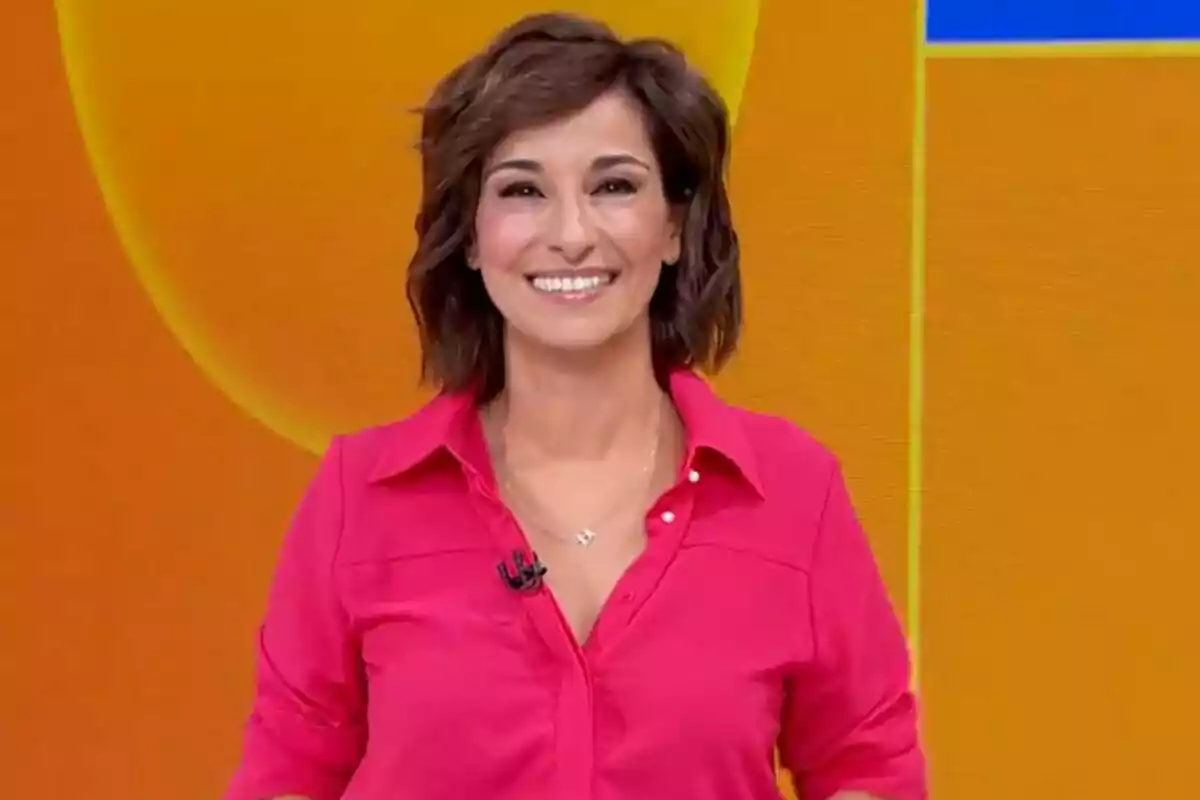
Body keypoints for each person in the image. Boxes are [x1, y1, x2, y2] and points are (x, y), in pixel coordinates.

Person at [225, 11, 926, 800]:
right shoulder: (359, 497)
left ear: (673, 227)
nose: (570, 234)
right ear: (470, 236)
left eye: (614, 186)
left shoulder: (795, 491)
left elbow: (868, 768)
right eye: (522, 190)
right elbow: (286, 778)